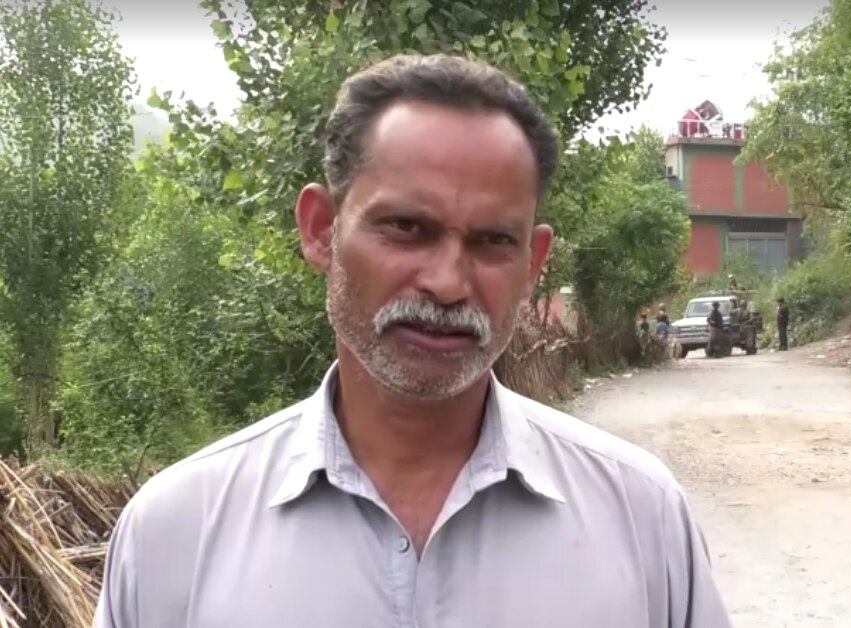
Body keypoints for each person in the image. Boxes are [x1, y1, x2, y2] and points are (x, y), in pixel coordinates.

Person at [93, 54, 731, 628]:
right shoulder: (177, 533)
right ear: (321, 230)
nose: (448, 283)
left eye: (491, 242)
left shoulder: (640, 517)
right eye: (406, 228)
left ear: (533, 262)